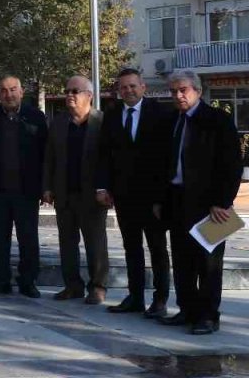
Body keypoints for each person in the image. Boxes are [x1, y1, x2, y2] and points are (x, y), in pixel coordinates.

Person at [161, 71, 241, 335]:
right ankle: (187, 309)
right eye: (173, 91)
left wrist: (222, 201)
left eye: (183, 90)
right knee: (182, 260)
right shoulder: (173, 120)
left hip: (209, 205)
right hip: (177, 200)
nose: (178, 95)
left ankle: (208, 315)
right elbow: (163, 164)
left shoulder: (217, 120)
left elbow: (231, 164)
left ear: (197, 90)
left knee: (208, 263)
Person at [98, 68, 173, 318]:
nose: (128, 90)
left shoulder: (161, 113)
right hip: (124, 195)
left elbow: (167, 159)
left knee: (157, 249)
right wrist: (104, 187)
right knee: (132, 247)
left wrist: (162, 197)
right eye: (123, 87)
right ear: (119, 91)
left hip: (152, 197)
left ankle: (160, 299)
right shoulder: (112, 115)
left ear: (143, 87)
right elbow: (104, 155)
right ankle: (135, 297)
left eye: (132, 86)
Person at [0, 75, 47, 299]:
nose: (9, 94)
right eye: (4, 91)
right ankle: (1, 280)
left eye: (13, 89)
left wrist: (46, 187)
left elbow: (46, 155)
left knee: (28, 239)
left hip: (27, 191)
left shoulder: (36, 117)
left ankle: (28, 281)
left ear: (22, 91)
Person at [43, 75, 108, 305]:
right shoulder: (58, 123)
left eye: (75, 91)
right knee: (67, 243)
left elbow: (108, 160)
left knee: (95, 244)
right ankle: (72, 286)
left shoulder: (101, 122)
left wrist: (105, 188)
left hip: (92, 196)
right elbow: (49, 157)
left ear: (89, 96)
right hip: (64, 193)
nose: (69, 95)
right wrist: (48, 187)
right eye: (67, 91)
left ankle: (98, 287)